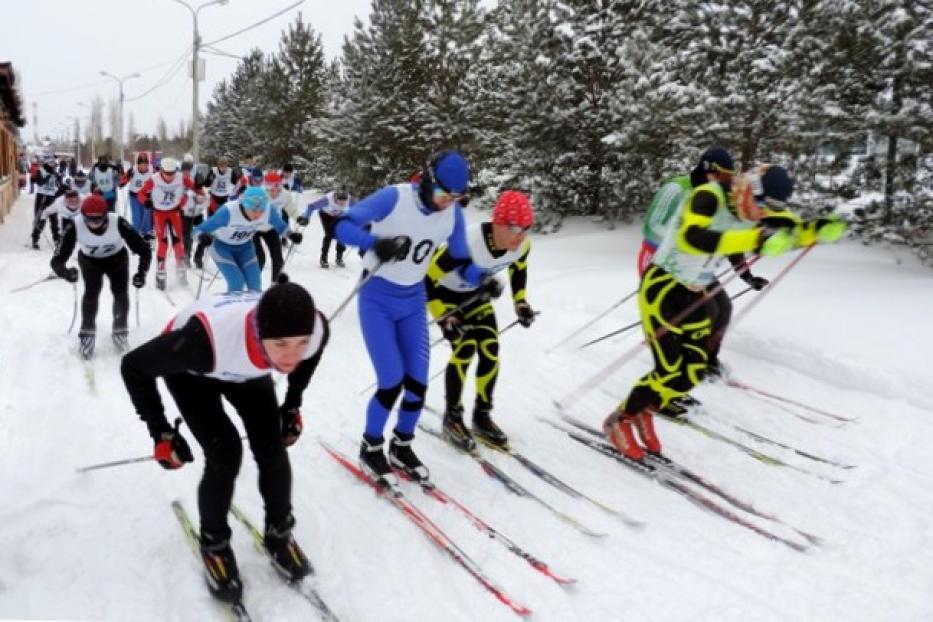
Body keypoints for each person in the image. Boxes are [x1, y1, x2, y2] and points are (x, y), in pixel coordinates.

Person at [604, 162, 846, 461]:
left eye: (768, 207)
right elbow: (693, 237)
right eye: (760, 204)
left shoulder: (756, 208)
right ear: (748, 188)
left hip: (698, 291)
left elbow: (790, 228)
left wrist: (816, 230)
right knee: (668, 368)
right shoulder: (708, 196)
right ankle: (620, 420)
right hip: (663, 287)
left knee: (692, 370)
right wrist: (755, 239)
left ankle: (646, 411)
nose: (761, 213)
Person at [120, 282, 329, 602]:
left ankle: (279, 534)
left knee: (272, 446)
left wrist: (291, 404)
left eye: (301, 343)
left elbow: (305, 357)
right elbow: (133, 366)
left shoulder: (314, 331)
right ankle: (214, 544)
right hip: (193, 368)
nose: (292, 355)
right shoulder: (200, 343)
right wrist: (161, 433)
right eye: (282, 344)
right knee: (226, 452)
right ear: (261, 334)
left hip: (247, 366)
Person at [334, 150, 498, 486]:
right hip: (377, 297)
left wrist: (482, 277)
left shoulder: (451, 215)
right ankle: (371, 445)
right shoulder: (395, 197)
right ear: (426, 180)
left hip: (413, 300)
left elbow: (460, 262)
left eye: (455, 198)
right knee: (391, 380)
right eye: (442, 194)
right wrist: (374, 243)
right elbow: (342, 225)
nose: (445, 204)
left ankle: (402, 445)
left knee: (418, 383)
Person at [638, 148, 771, 415]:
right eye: (720, 174)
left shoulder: (723, 199)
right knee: (687, 322)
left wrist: (746, 275)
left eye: (727, 176)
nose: (723, 180)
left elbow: (728, 239)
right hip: (663, 262)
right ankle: (664, 388)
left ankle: (705, 363)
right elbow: (651, 225)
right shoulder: (677, 188)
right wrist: (688, 242)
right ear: (707, 169)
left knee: (722, 308)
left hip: (698, 266)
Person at [425, 190, 536, 451]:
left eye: (527, 229)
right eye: (516, 228)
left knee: (490, 349)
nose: (522, 236)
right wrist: (443, 316)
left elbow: (519, 268)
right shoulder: (467, 242)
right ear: (498, 223)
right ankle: (453, 416)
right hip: (445, 295)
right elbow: (427, 279)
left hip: (476, 295)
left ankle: (481, 416)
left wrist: (520, 302)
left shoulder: (521, 245)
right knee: (464, 348)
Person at [50, 195, 151, 359]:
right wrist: (66, 273)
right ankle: (87, 333)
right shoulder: (74, 225)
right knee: (91, 292)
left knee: (120, 293)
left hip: (117, 259)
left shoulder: (118, 222)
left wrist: (141, 273)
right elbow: (56, 260)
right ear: (83, 216)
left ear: (106, 215)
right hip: (90, 261)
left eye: (98, 220)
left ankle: (120, 330)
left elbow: (144, 249)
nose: (94, 225)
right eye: (89, 220)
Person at [194, 186, 294, 292]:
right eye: (254, 210)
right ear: (244, 205)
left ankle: (252, 308)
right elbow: (198, 230)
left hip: (245, 248)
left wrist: (291, 235)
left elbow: (281, 226)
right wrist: (201, 237)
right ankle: (231, 308)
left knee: (255, 285)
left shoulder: (268, 211)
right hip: (222, 248)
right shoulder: (228, 212)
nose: (258, 214)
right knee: (237, 283)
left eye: (261, 210)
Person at [137, 157, 202, 290]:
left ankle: (180, 269)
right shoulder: (154, 179)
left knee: (178, 241)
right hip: (159, 213)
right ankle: (161, 272)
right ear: (161, 171)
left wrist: (200, 187)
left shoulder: (181, 177)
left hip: (174, 212)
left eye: (172, 173)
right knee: (163, 243)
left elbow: (195, 187)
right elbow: (140, 193)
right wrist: (145, 201)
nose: (169, 176)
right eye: (167, 173)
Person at [254, 171, 302, 281]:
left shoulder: (285, 195)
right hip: (254, 229)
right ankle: (252, 285)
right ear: (266, 188)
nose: (275, 193)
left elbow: (291, 209)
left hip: (271, 228)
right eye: (271, 190)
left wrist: (299, 218)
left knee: (278, 259)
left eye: (278, 190)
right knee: (260, 258)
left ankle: (275, 287)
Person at [300, 188, 351, 268]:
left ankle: (339, 257)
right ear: (335, 198)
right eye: (339, 201)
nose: (342, 203)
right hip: (325, 215)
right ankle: (323, 258)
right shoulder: (327, 200)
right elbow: (311, 206)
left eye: (344, 201)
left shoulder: (350, 200)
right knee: (329, 234)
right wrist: (306, 218)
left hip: (339, 215)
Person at [30, 157, 64, 249]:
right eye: (51, 164)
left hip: (51, 198)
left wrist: (61, 190)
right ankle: (35, 239)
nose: (53, 166)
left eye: (54, 165)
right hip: (42, 197)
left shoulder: (56, 174)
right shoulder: (41, 171)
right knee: (40, 219)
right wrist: (49, 176)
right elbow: (40, 182)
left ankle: (56, 240)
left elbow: (60, 186)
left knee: (54, 220)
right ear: (47, 164)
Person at [122, 154, 154, 239]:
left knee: (147, 217)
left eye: (145, 165)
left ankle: (147, 234)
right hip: (135, 196)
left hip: (147, 197)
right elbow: (121, 182)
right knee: (137, 218)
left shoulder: (152, 170)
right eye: (141, 165)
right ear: (138, 164)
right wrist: (127, 177)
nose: (143, 167)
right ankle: (136, 235)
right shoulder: (133, 170)